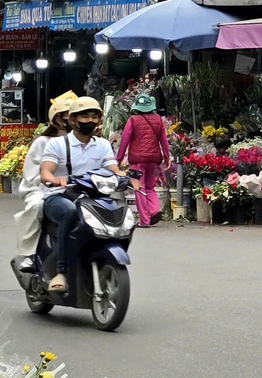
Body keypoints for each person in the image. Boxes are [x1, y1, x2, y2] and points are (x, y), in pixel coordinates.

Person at [39, 97, 123, 292]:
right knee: (69, 212)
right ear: (73, 121)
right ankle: (61, 272)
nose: (90, 121)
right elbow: (45, 173)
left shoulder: (102, 145)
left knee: (117, 211)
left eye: (94, 116)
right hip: (58, 196)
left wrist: (127, 177)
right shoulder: (58, 144)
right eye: (84, 116)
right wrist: (55, 179)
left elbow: (114, 170)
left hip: (92, 197)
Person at [14, 92, 75, 271]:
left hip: (73, 189)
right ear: (57, 119)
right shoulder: (43, 142)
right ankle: (28, 254)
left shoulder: (85, 142)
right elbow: (32, 175)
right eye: (68, 117)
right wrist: (51, 182)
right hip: (41, 189)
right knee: (37, 206)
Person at [116, 94, 170, 227]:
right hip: (153, 159)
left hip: (137, 160)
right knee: (150, 186)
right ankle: (154, 209)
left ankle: (145, 220)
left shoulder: (133, 120)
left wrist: (118, 159)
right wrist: (167, 158)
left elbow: (124, 141)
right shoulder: (158, 120)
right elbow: (164, 140)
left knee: (139, 187)